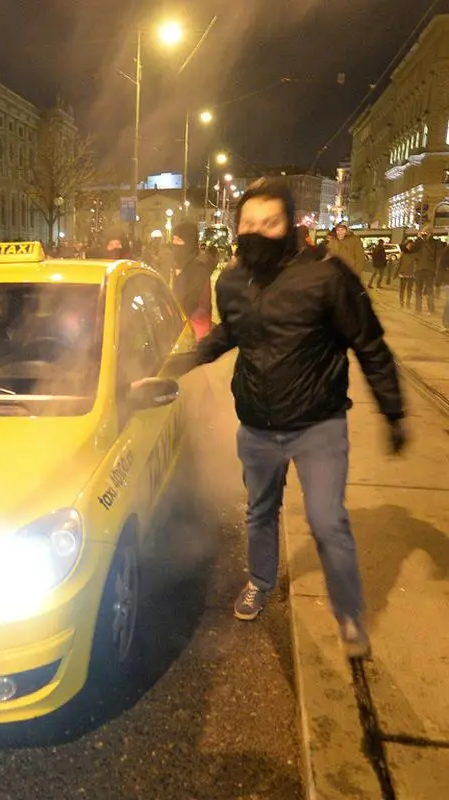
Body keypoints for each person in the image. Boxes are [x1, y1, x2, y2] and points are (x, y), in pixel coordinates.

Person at [177, 179, 405, 659]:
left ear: (290, 225)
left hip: (318, 426)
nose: (258, 232)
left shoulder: (327, 276)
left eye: (270, 223)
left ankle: (349, 613)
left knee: (326, 520)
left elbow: (369, 344)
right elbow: (230, 333)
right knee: (260, 511)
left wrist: (392, 411)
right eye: (249, 223)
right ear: (237, 226)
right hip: (257, 426)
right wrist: (180, 362)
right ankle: (260, 581)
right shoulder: (232, 281)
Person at [171, 222, 216, 339]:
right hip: (183, 327)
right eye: (173, 240)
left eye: (179, 240)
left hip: (195, 330)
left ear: (189, 243)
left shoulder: (198, 269)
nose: (175, 244)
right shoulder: (180, 265)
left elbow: (188, 302)